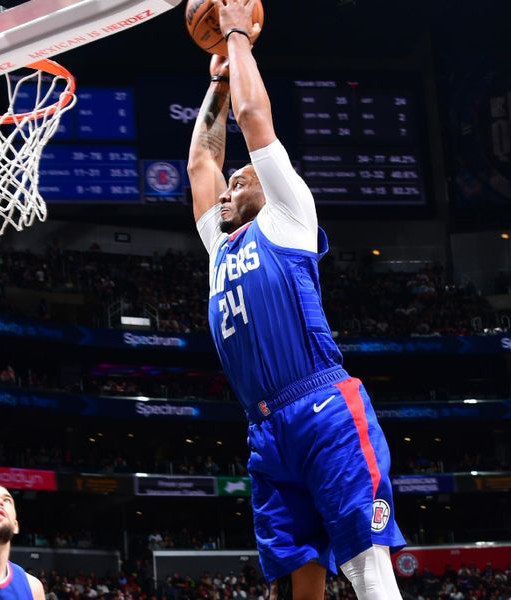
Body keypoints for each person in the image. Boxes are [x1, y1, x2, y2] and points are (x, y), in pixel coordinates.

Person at [186, 1, 406, 598]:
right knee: (298, 579)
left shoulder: (289, 215)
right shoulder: (219, 246)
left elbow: (255, 118)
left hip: (323, 408)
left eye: (243, 176)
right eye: (231, 183)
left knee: (366, 561)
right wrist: (216, 82)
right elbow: (204, 159)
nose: (232, 182)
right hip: (264, 431)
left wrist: (236, 37)